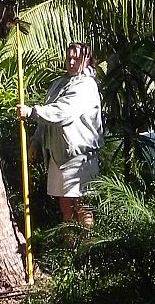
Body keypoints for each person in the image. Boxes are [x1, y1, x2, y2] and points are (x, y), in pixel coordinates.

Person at [18, 42, 104, 228]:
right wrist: (36, 140)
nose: (72, 61)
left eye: (77, 57)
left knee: (82, 207)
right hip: (58, 156)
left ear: (87, 59)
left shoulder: (87, 86)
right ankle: (68, 248)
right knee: (65, 207)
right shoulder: (59, 84)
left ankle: (87, 251)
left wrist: (32, 112)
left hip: (80, 156)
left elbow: (63, 112)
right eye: (69, 57)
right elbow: (48, 114)